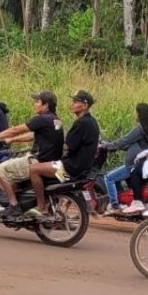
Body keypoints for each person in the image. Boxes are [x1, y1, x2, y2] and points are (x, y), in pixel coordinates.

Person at [0, 91, 64, 219]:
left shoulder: (42, 119)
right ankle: (18, 200)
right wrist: (13, 140)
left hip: (38, 161)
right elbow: (34, 135)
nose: (34, 104)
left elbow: (15, 130)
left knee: (1, 169)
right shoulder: (55, 120)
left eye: (37, 102)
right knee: (13, 167)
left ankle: (14, 205)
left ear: (46, 105)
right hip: (50, 160)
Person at [26, 90, 100, 218]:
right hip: (82, 167)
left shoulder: (81, 123)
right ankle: (50, 206)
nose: (72, 104)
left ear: (85, 105)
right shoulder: (92, 122)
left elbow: (67, 146)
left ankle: (41, 206)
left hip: (71, 167)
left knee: (34, 170)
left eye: (76, 102)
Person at [100, 103, 148, 213]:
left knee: (109, 178)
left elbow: (124, 140)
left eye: (135, 112)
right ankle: (123, 201)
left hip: (134, 164)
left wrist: (107, 146)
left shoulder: (139, 129)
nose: (134, 114)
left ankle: (114, 205)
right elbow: (132, 145)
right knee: (115, 177)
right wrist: (115, 146)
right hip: (142, 163)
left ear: (139, 114)